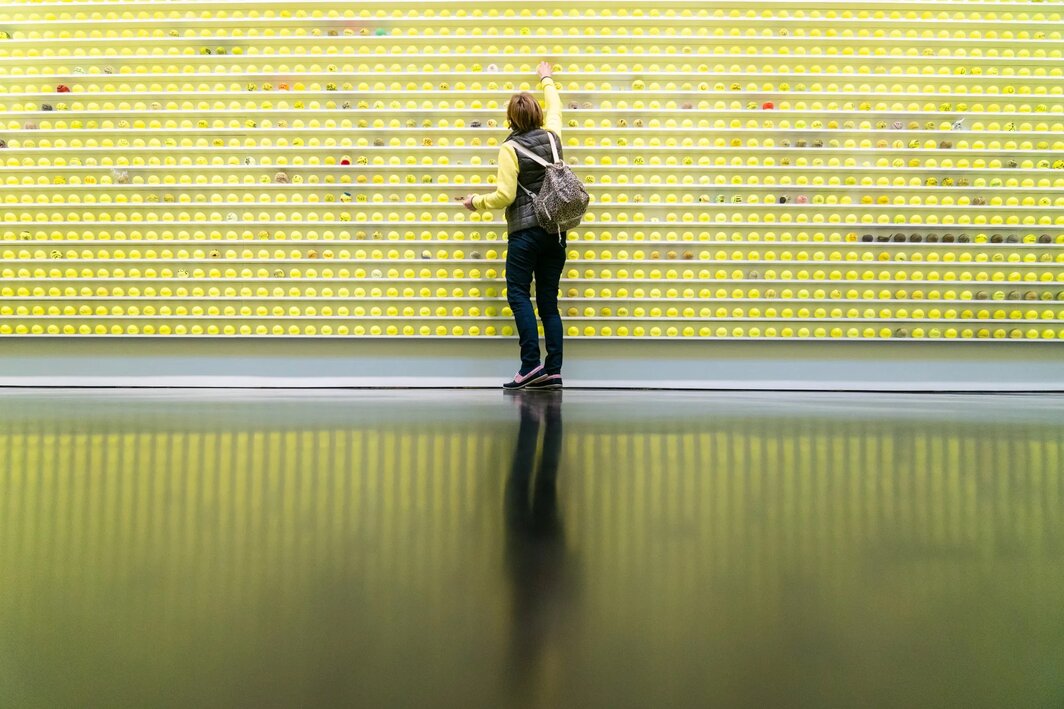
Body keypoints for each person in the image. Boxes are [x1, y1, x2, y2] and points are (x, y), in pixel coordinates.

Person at [458, 62, 566, 391]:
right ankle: (553, 370)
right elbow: (556, 108)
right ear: (537, 114)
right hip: (556, 232)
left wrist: (475, 201)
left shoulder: (510, 148)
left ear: (511, 119)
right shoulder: (553, 136)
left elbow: (505, 195)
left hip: (525, 234)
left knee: (518, 294)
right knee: (548, 302)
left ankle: (530, 365)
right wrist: (546, 78)